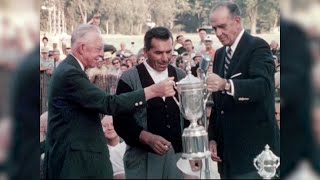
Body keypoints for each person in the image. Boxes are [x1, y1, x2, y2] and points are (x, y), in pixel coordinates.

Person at [43, 24, 177, 179]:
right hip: (75, 165)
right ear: (82, 48)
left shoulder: (70, 70)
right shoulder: (70, 73)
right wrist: (153, 91)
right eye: (98, 49)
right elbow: (109, 104)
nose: (102, 54)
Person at [206, 2, 280, 178]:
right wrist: (213, 137)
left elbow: (263, 86)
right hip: (227, 156)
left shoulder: (258, 46)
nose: (218, 33)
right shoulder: (220, 54)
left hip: (255, 154)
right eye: (214, 28)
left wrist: (226, 84)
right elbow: (218, 103)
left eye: (222, 27)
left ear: (237, 21)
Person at [113, 26, 188, 179]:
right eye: (158, 53)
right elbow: (120, 122)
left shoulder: (180, 75)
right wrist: (147, 138)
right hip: (142, 160)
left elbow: (188, 118)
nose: (165, 58)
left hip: (178, 160)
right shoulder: (129, 78)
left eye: (169, 52)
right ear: (146, 52)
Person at [101, 115, 126, 179]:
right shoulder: (100, 152)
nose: (109, 128)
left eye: (112, 124)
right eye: (105, 126)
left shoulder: (127, 148)